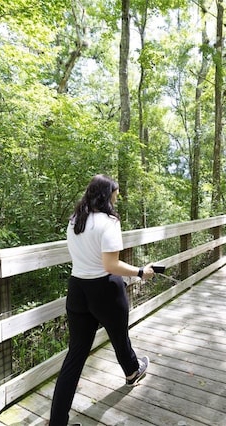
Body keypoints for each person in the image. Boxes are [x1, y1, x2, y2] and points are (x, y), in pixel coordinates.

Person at [49, 174, 156, 425]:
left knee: (75, 355)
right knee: (119, 336)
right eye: (114, 196)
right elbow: (111, 264)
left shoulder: (75, 220)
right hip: (104, 290)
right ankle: (132, 371)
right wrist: (141, 272)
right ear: (106, 196)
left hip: (77, 289)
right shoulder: (109, 222)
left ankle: (57, 422)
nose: (116, 200)